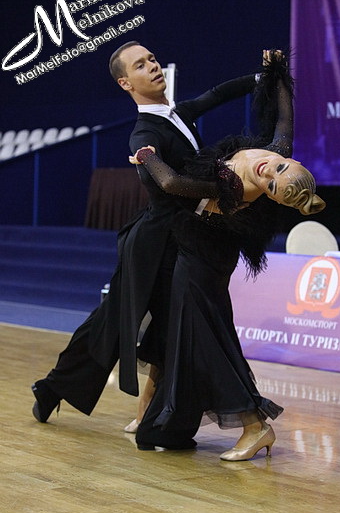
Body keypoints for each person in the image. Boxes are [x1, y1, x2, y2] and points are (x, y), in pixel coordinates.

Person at [31, 41, 258, 426]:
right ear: (126, 83)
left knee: (157, 326)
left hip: (179, 239)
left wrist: (262, 78)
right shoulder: (143, 134)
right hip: (152, 246)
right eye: (140, 65)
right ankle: (56, 388)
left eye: (152, 59)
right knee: (113, 323)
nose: (152, 66)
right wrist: (227, 190)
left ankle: (152, 416)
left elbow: (217, 93)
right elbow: (168, 183)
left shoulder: (177, 114)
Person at [129, 50, 326, 460]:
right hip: (202, 251)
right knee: (192, 334)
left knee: (205, 339)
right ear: (289, 159)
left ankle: (254, 425)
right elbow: (284, 119)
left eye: (271, 187)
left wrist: (147, 156)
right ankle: (159, 414)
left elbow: (173, 184)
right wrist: (278, 74)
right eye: (278, 170)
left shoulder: (237, 188)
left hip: (203, 255)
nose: (268, 173)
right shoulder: (277, 150)